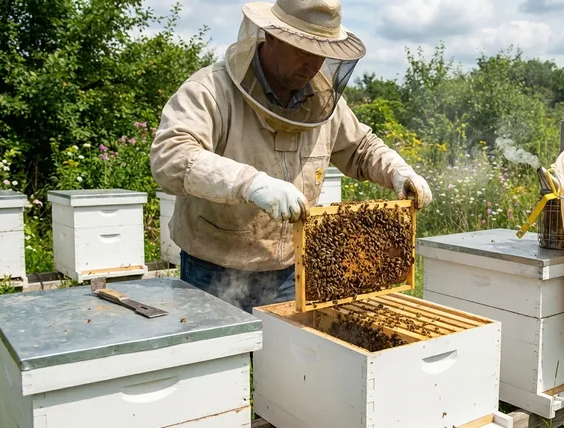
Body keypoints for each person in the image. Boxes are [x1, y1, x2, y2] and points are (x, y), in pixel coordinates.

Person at [149, 0, 433, 314]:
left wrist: (397, 171)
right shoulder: (210, 90)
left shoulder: (324, 102)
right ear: (271, 36)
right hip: (213, 268)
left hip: (289, 268)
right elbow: (171, 157)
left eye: (322, 53)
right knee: (220, 361)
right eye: (302, 50)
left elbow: (361, 147)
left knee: (283, 361)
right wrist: (250, 184)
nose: (312, 66)